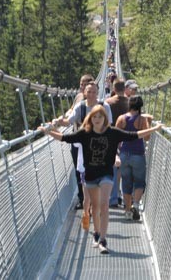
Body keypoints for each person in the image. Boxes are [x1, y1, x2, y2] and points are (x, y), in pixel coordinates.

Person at [40, 105, 162, 254]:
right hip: (90, 175)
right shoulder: (85, 133)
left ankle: (103, 240)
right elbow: (65, 138)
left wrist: (154, 130)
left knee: (104, 205)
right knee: (95, 208)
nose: (97, 120)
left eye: (100, 117)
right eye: (94, 117)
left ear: (105, 118)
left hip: (106, 174)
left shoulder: (113, 133)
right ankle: (96, 233)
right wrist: (48, 132)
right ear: (90, 119)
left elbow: (133, 135)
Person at [56, 82, 112, 226]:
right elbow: (69, 121)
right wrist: (57, 122)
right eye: (89, 91)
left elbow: (109, 126)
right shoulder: (80, 107)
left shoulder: (104, 106)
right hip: (81, 149)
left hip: (99, 150)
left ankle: (95, 217)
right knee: (85, 187)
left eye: (94, 91)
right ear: (85, 92)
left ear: (98, 93)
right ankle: (86, 212)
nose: (92, 94)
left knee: (97, 187)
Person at [115, 95, 151, 221]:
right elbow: (147, 138)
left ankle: (127, 210)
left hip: (124, 154)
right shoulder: (142, 120)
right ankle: (135, 205)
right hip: (138, 155)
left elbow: (116, 135)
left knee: (126, 182)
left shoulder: (121, 118)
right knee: (139, 182)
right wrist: (149, 124)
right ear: (140, 106)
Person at [63, 74, 94, 209]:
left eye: (84, 84)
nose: (81, 86)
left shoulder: (94, 103)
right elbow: (72, 109)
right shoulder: (78, 97)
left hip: (84, 140)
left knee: (82, 171)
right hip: (77, 139)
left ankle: (85, 200)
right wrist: (67, 114)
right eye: (81, 83)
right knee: (82, 171)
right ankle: (86, 200)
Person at [105, 78, 130, 207]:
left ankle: (113, 197)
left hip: (111, 138)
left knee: (112, 166)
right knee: (123, 168)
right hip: (126, 138)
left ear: (114, 89)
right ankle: (122, 196)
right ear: (124, 88)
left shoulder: (107, 102)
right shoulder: (130, 103)